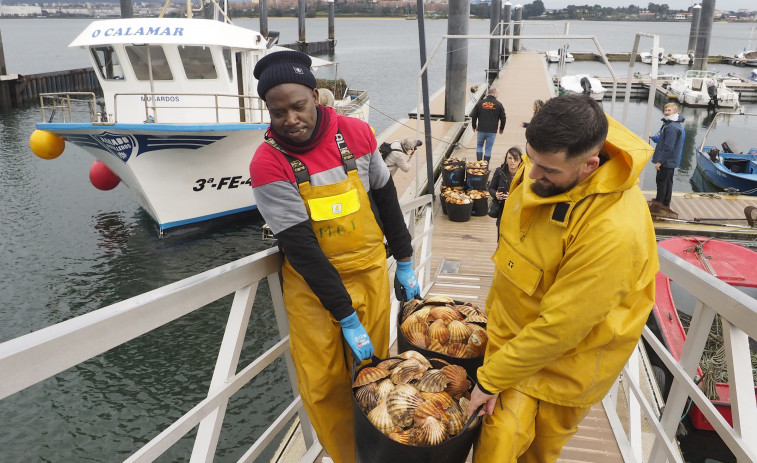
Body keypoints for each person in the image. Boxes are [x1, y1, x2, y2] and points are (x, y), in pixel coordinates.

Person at [248, 50, 420, 463]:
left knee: (373, 376)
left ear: (315, 95)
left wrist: (406, 257)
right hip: (313, 290)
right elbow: (302, 249)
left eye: (298, 105)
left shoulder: (357, 135)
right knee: (323, 385)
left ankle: (379, 453)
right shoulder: (268, 163)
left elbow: (385, 197)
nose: (290, 119)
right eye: (277, 111)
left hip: (370, 275)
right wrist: (345, 316)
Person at [466, 94, 658, 463]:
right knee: (494, 444)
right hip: (509, 340)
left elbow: (561, 327)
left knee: (524, 452)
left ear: (589, 166)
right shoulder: (545, 162)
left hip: (560, 366)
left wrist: (490, 380)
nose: (531, 175)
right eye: (529, 159)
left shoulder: (613, 231)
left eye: (549, 171)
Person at [649, 102, 685, 208]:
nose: (667, 112)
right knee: (668, 181)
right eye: (665, 110)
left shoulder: (671, 127)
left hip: (666, 161)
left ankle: (659, 204)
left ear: (675, 111)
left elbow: (669, 147)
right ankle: (665, 202)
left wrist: (660, 161)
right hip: (671, 160)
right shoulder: (675, 124)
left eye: (669, 110)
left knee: (661, 182)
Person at [487, 146, 522, 234]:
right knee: (501, 235)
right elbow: (491, 188)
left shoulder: (524, 174)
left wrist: (512, 197)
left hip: (517, 210)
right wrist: (496, 194)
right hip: (502, 209)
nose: (512, 161)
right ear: (506, 159)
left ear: (520, 160)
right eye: (510, 158)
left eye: (515, 158)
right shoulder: (499, 171)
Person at [470, 86, 507, 164]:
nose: (498, 95)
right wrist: (501, 128)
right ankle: (485, 165)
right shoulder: (498, 104)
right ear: (494, 94)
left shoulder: (480, 103)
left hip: (481, 129)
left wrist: (474, 126)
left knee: (479, 146)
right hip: (492, 131)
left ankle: (479, 164)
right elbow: (503, 118)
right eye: (497, 93)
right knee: (488, 148)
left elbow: (474, 116)